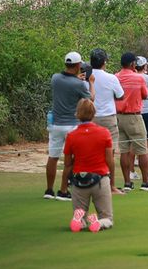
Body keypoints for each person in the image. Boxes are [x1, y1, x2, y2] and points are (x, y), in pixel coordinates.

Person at [62, 99, 118, 231]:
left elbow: (67, 164)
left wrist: (64, 185)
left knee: (79, 216)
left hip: (79, 181)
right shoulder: (104, 133)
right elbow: (110, 160)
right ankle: (98, 222)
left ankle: (79, 221)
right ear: (94, 113)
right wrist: (112, 183)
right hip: (100, 179)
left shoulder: (71, 136)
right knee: (107, 218)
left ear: (78, 114)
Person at [46, 51, 91, 201]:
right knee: (70, 159)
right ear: (78, 65)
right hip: (71, 125)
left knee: (52, 157)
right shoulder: (79, 84)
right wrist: (91, 82)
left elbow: (66, 82)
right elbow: (90, 99)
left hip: (55, 124)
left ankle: (49, 190)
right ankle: (63, 190)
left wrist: (76, 79)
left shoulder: (55, 78)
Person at [114, 52, 148, 192]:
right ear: (132, 64)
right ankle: (146, 182)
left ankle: (127, 183)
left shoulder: (115, 77)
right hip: (134, 116)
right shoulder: (138, 78)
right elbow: (144, 95)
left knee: (124, 150)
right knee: (142, 150)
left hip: (118, 117)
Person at [87, 49, 124, 184]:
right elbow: (120, 95)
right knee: (110, 152)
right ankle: (109, 183)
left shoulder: (86, 77)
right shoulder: (111, 77)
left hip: (91, 117)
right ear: (104, 62)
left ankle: (93, 180)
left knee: (92, 150)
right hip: (108, 117)